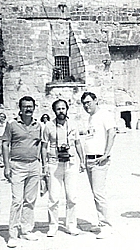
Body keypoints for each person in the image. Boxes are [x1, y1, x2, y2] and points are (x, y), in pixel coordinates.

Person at [41, 99, 85, 237]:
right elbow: (43, 146)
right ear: (54, 111)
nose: (61, 111)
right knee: (53, 198)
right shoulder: (48, 126)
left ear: (67, 109)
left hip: (70, 164)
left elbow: (78, 143)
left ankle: (71, 225)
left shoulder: (73, 124)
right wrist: (44, 165)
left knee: (72, 197)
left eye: (63, 108)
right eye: (58, 109)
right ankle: (53, 226)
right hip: (54, 164)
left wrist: (82, 161)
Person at [2, 96, 42, 248]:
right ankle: (12, 234)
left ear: (34, 107)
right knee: (17, 200)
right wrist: (6, 166)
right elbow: (5, 144)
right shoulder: (11, 124)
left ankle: (26, 230)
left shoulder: (38, 125)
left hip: (33, 165)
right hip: (17, 166)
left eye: (30, 106)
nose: (28, 109)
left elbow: (40, 145)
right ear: (20, 108)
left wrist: (41, 165)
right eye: (25, 106)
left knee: (30, 200)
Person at [81, 92, 116, 239]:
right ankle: (101, 221)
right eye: (84, 103)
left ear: (96, 101)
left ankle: (106, 225)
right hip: (89, 159)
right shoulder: (90, 118)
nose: (86, 105)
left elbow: (112, 132)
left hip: (99, 159)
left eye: (88, 102)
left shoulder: (104, 114)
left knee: (99, 194)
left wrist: (106, 154)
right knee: (96, 193)